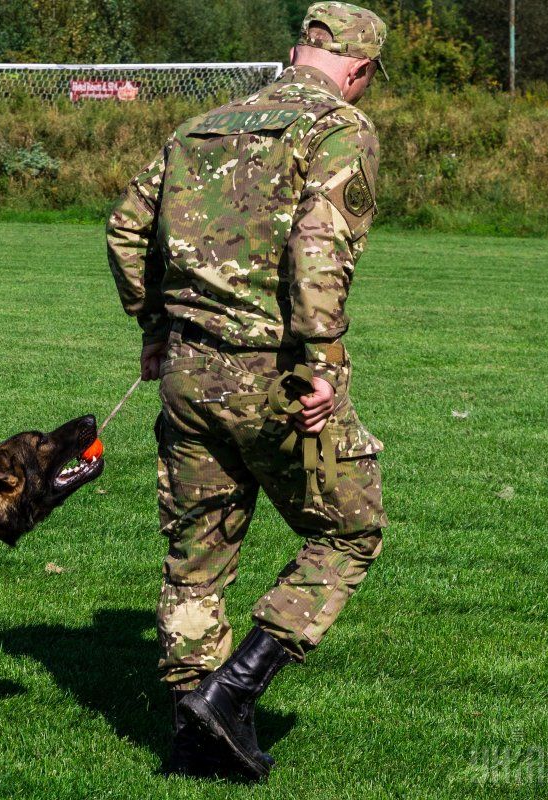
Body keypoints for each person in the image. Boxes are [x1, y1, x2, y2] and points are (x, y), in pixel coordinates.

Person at [105, 2, 390, 781]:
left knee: (197, 554)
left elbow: (126, 229)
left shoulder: (203, 124)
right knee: (349, 530)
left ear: (298, 51)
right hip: (277, 376)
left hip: (189, 376)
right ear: (359, 70)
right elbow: (318, 248)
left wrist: (154, 326)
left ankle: (192, 731)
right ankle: (233, 694)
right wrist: (324, 360)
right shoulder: (339, 127)